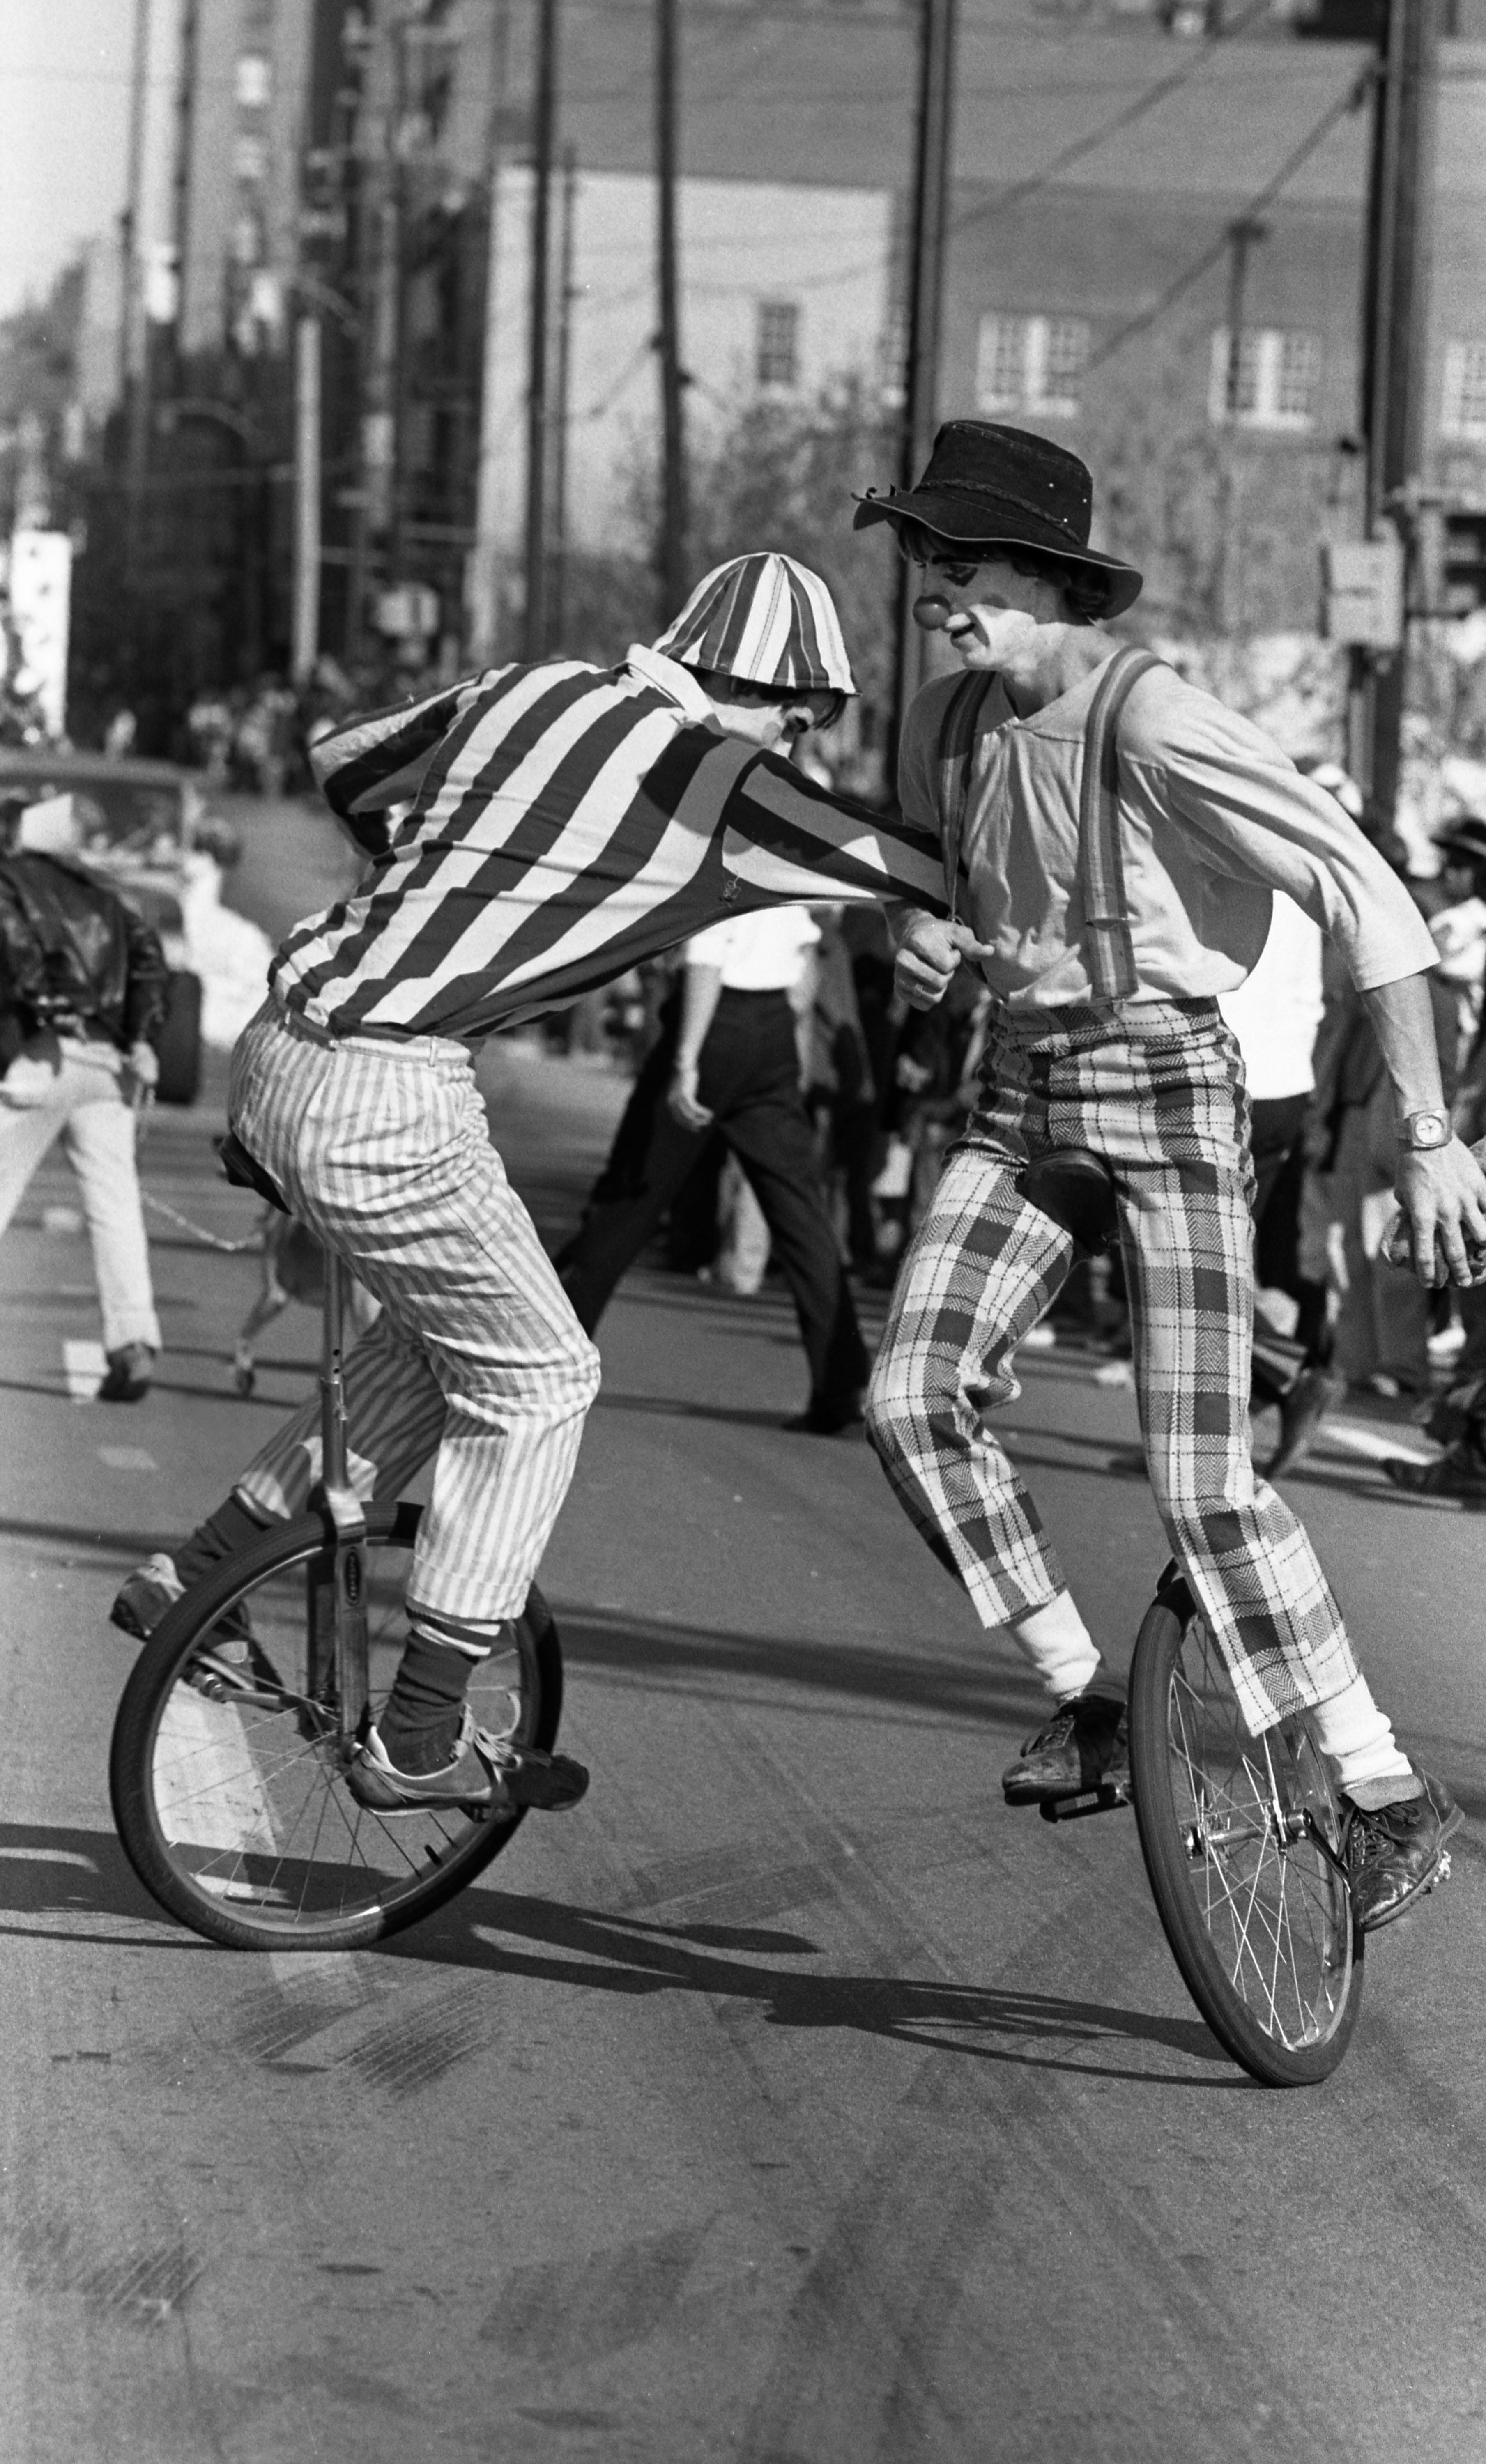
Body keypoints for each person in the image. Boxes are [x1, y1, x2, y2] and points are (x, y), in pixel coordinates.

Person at [111, 554, 949, 1814]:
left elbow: (346, 758)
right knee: (548, 1377)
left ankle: (203, 1575)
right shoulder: (717, 776)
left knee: (442, 1345)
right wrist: (922, 916)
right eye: (801, 711)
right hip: (389, 1088)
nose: (803, 740)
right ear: (761, 686)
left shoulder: (531, 687)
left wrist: (453, 881)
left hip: (286, 1041)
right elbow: (909, 859)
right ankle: (425, 1723)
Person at [854, 418, 1486, 1930]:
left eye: (965, 564)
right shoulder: (940, 726)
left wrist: (1422, 1128)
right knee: (904, 1399)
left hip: (1163, 1086)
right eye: (926, 562)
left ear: (1049, 578)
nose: (936, 589)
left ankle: (1381, 1782)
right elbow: (926, 890)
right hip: (1015, 1087)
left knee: (1201, 1484)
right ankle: (1080, 1694)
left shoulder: (1152, 720)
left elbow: (1358, 884)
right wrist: (911, 938)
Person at [555, 902, 870, 1433]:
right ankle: (842, 1383)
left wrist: (685, 1062)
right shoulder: (791, 850)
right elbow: (805, 956)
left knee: (629, 1197)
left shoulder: (723, 836)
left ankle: (545, 1352)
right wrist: (783, 1049)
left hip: (713, 1018)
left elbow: (705, 957)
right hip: (771, 1028)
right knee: (800, 1212)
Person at [0, 793, 167, 1400]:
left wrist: (54, 1011)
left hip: (45, 1053)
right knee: (115, 1204)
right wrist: (141, 1036)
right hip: (110, 1062)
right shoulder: (110, 897)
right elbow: (152, 965)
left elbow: (18, 957)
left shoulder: (9, 882)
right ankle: (133, 1341)